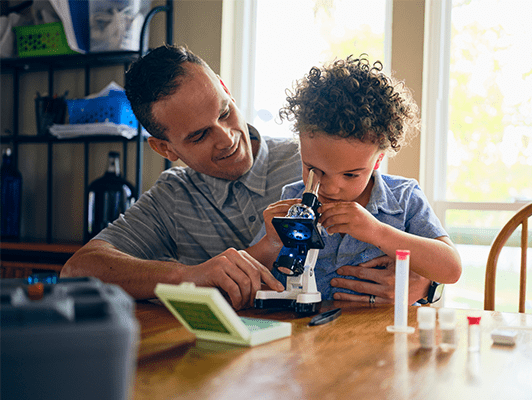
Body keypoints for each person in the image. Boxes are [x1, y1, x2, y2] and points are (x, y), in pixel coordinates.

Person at [61, 45, 433, 309]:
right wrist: (188, 276)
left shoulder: (320, 160)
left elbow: (403, 230)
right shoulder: (170, 199)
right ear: (164, 149)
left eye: (224, 113)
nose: (228, 139)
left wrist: (422, 284)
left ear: (225, 88)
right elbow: (78, 269)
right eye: (199, 135)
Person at [248, 55, 461, 303]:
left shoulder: (403, 199)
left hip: (382, 334)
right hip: (307, 333)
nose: (332, 186)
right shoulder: (291, 199)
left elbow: (451, 268)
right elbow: (248, 271)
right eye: (313, 169)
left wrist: (377, 232)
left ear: (378, 160)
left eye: (350, 175)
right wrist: (271, 242)